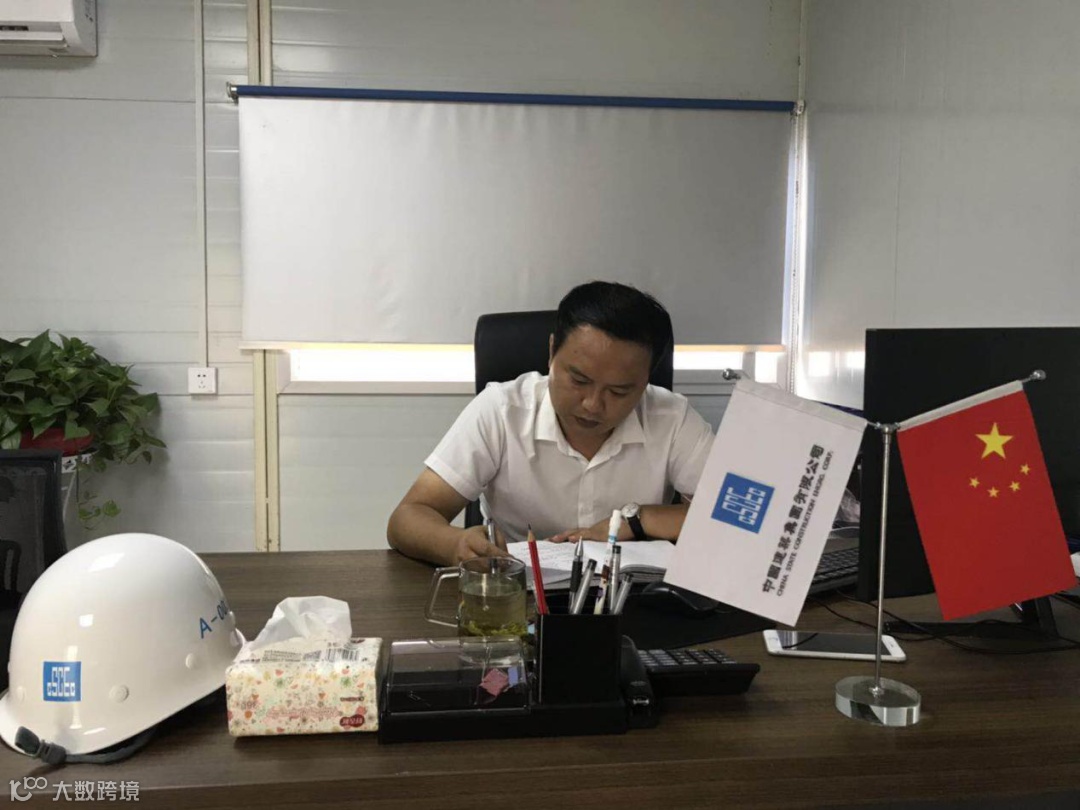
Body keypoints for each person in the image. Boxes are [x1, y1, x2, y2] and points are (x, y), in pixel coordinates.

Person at [386, 281, 715, 565]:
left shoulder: (672, 418)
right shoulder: (502, 410)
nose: (593, 404)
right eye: (579, 380)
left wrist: (638, 520)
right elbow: (407, 517)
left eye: (619, 391)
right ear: (552, 351)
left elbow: (736, 523)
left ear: (646, 381)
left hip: (629, 596)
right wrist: (456, 545)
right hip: (519, 596)